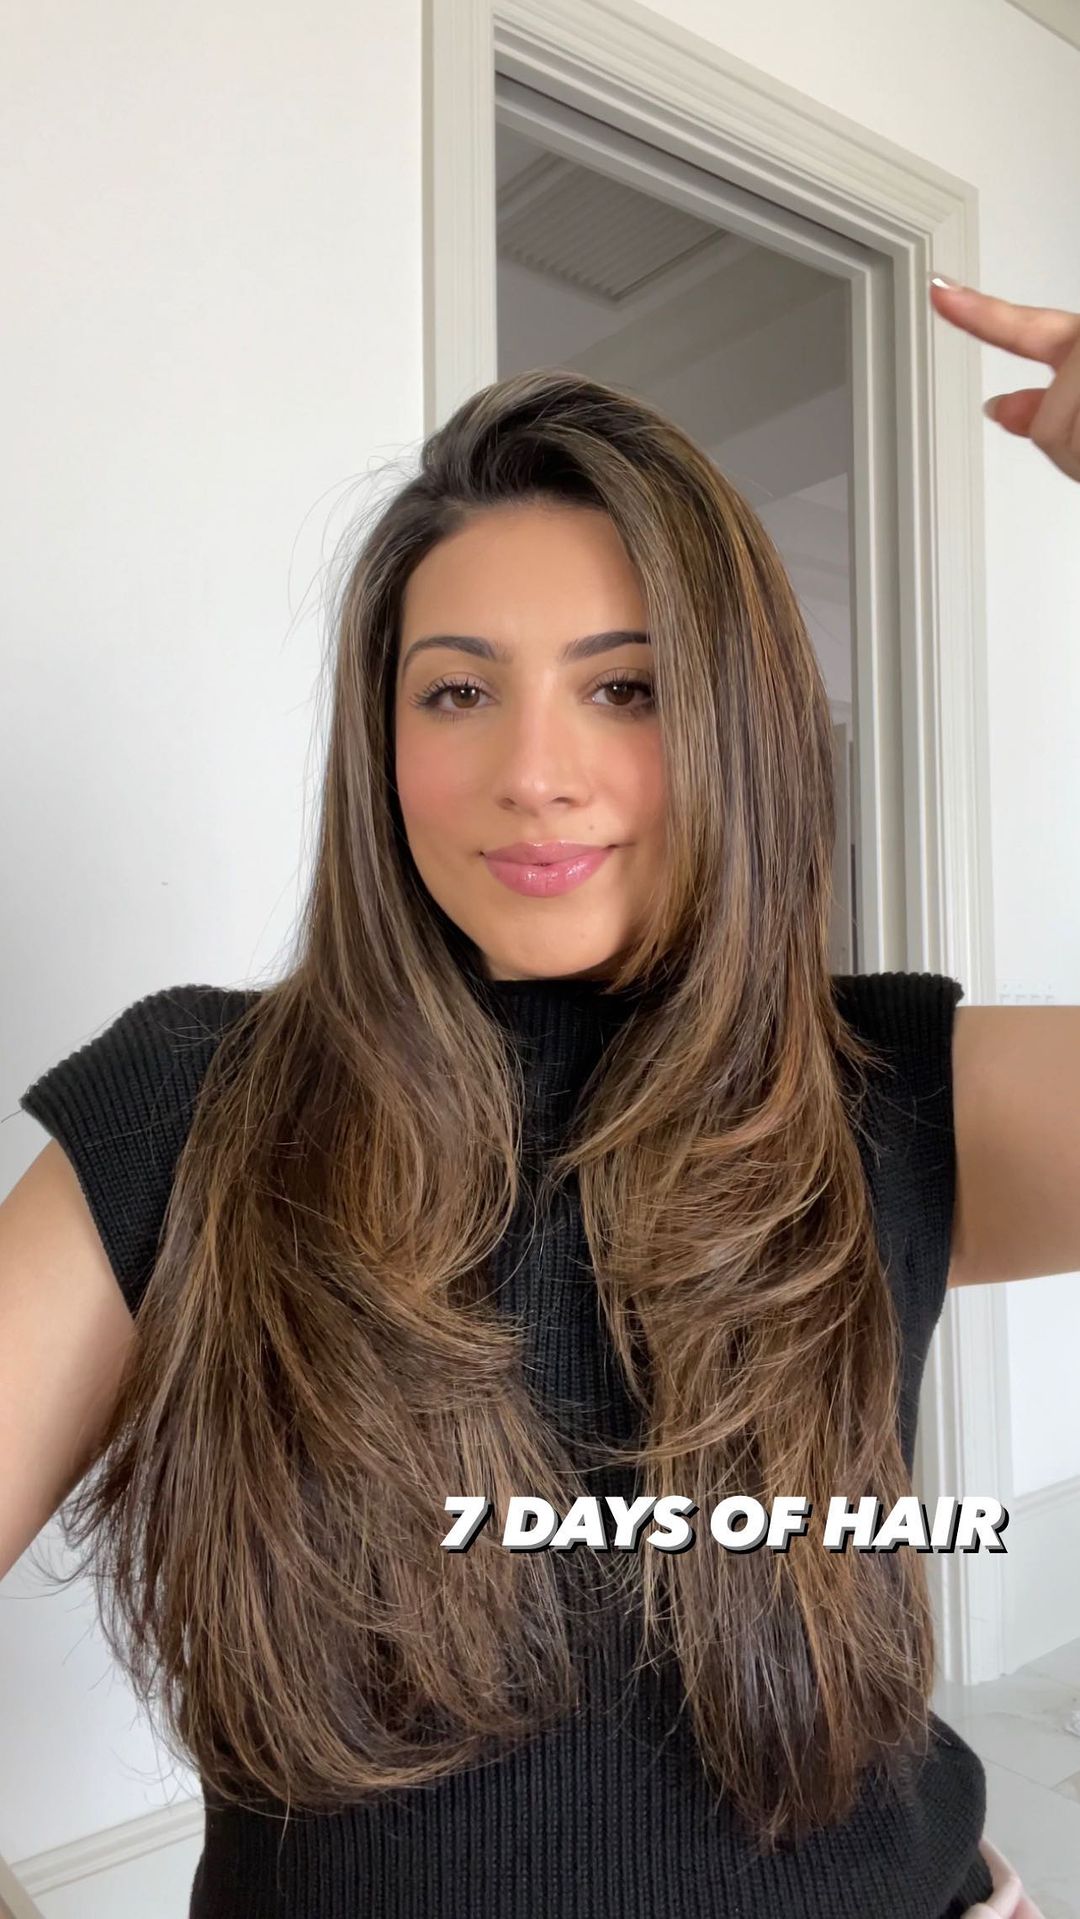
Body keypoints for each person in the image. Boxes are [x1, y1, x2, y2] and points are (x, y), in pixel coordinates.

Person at [5, 368, 1041, 1916]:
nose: (534, 772)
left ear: (742, 728)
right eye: (458, 693)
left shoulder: (888, 1085)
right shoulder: (189, 1104)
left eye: (626, 689)